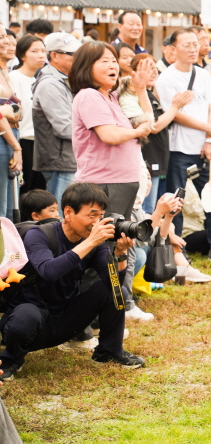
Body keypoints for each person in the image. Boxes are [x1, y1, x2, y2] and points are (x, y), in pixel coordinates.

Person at [0, 183, 147, 381]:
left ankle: (108, 351)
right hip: (30, 323)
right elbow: (49, 271)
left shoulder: (94, 242)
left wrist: (120, 254)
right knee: (26, 314)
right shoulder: (39, 235)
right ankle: (10, 360)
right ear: (68, 212)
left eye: (100, 216)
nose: (96, 222)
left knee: (116, 291)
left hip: (66, 320)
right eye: (91, 215)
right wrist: (91, 242)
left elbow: (112, 283)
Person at [155, 29, 211, 265]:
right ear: (173, 49)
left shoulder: (203, 75)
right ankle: (176, 249)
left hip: (204, 150)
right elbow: (174, 115)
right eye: (187, 45)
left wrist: (209, 139)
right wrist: (207, 128)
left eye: (195, 44)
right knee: (176, 201)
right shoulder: (166, 79)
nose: (193, 49)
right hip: (178, 149)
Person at [69, 41, 153, 219]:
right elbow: (110, 135)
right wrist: (138, 132)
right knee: (104, 234)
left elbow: (147, 119)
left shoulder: (114, 96)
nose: (112, 65)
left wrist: (141, 89)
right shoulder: (89, 95)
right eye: (105, 61)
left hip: (125, 181)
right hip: (103, 183)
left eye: (114, 61)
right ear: (86, 67)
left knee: (120, 234)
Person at [131, 53, 193, 214]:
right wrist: (175, 107)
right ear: (134, 73)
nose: (152, 72)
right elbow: (154, 126)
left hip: (160, 160)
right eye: (146, 68)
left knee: (159, 208)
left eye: (154, 68)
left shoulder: (151, 95)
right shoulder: (137, 95)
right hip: (149, 160)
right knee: (147, 210)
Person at [32, 32, 79, 203]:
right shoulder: (50, 84)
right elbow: (64, 127)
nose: (78, 58)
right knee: (61, 211)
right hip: (60, 162)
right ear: (54, 55)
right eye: (72, 54)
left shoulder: (64, 79)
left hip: (67, 159)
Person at [10, 35, 47, 193]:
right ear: (22, 55)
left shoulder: (40, 79)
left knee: (39, 190)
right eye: (35, 51)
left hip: (40, 143)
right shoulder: (13, 78)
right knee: (23, 188)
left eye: (43, 51)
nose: (41, 55)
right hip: (22, 142)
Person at [0, 33, 22, 217]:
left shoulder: (4, 71)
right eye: (1, 37)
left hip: (12, 136)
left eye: (5, 36)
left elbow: (16, 110)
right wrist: (17, 147)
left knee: (10, 203)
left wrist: (10, 111)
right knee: (3, 205)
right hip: (5, 139)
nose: (6, 41)